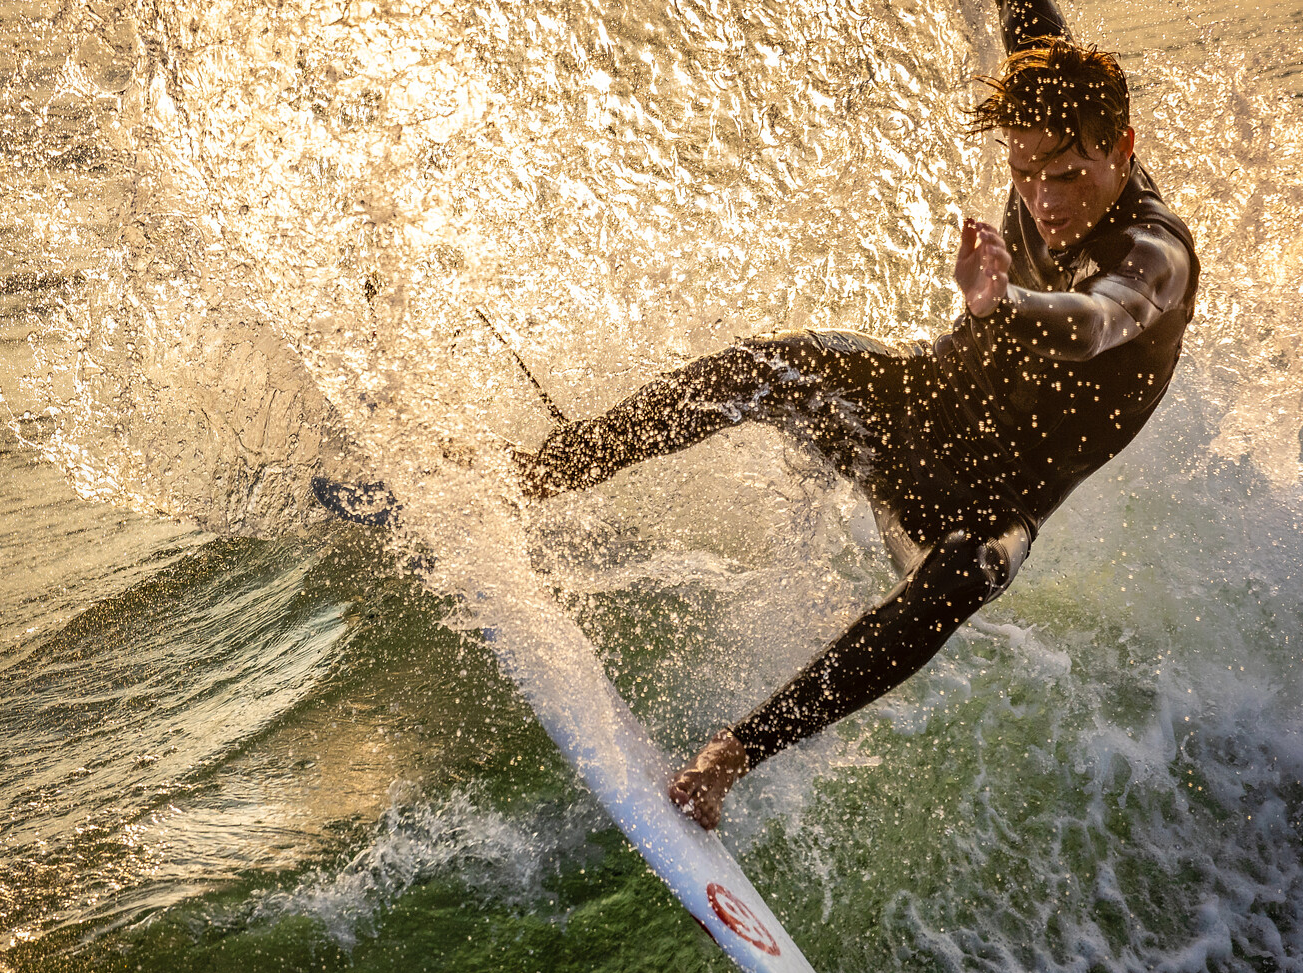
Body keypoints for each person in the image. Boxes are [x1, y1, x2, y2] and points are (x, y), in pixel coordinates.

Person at [510, 0, 1200, 830]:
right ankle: (544, 473)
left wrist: (1003, 302)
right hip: (924, 404)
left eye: (1066, 176)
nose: (1043, 200)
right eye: (1024, 174)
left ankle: (731, 754)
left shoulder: (1156, 256)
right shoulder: (1054, 95)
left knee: (965, 574)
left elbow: (1094, 323)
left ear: (1122, 147)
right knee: (772, 367)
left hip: (988, 501)